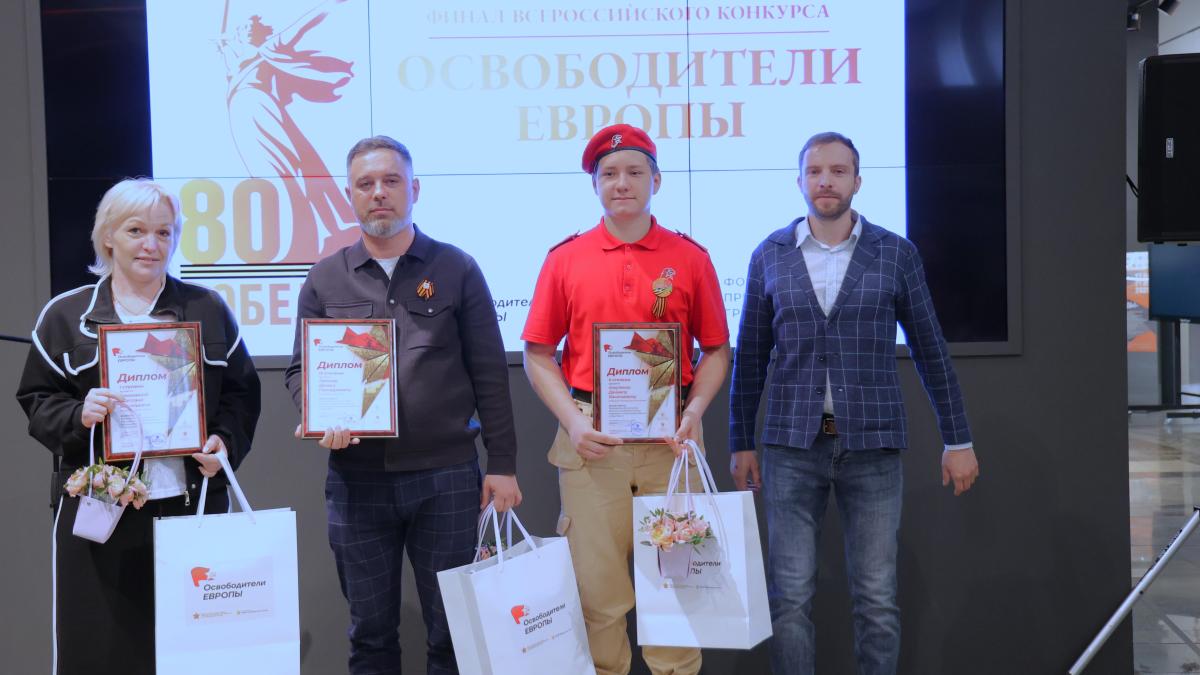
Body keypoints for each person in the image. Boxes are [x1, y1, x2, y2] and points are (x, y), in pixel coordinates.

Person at [728, 131, 980, 675]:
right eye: (815, 171)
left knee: (877, 600)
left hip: (873, 448)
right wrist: (740, 441)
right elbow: (749, 356)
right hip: (790, 448)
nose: (826, 181)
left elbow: (930, 349)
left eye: (838, 171)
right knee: (788, 598)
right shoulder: (770, 254)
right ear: (800, 181)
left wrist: (958, 438)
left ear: (858, 181)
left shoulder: (895, 253)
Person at [284, 135, 521, 674]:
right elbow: (301, 370)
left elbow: (490, 372)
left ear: (414, 189)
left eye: (391, 181)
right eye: (365, 184)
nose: (379, 193)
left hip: (446, 479)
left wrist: (503, 464)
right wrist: (317, 413)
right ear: (349, 195)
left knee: (453, 632)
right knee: (369, 636)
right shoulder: (324, 278)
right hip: (357, 481)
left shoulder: (457, 268)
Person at [16, 178, 261, 675]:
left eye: (164, 233)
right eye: (136, 231)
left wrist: (224, 443)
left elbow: (242, 394)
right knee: (100, 654)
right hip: (99, 513)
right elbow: (37, 401)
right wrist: (78, 414)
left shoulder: (208, 310)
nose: (152, 244)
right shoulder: (66, 316)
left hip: (190, 510)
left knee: (195, 657)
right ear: (108, 236)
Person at [522, 124, 730, 675]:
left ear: (656, 181)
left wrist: (694, 411)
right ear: (594, 184)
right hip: (593, 442)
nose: (622, 183)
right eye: (609, 173)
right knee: (598, 598)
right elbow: (538, 353)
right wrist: (572, 422)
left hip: (671, 443)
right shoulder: (566, 258)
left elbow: (716, 349)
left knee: (678, 593)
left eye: (635, 172)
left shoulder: (690, 257)